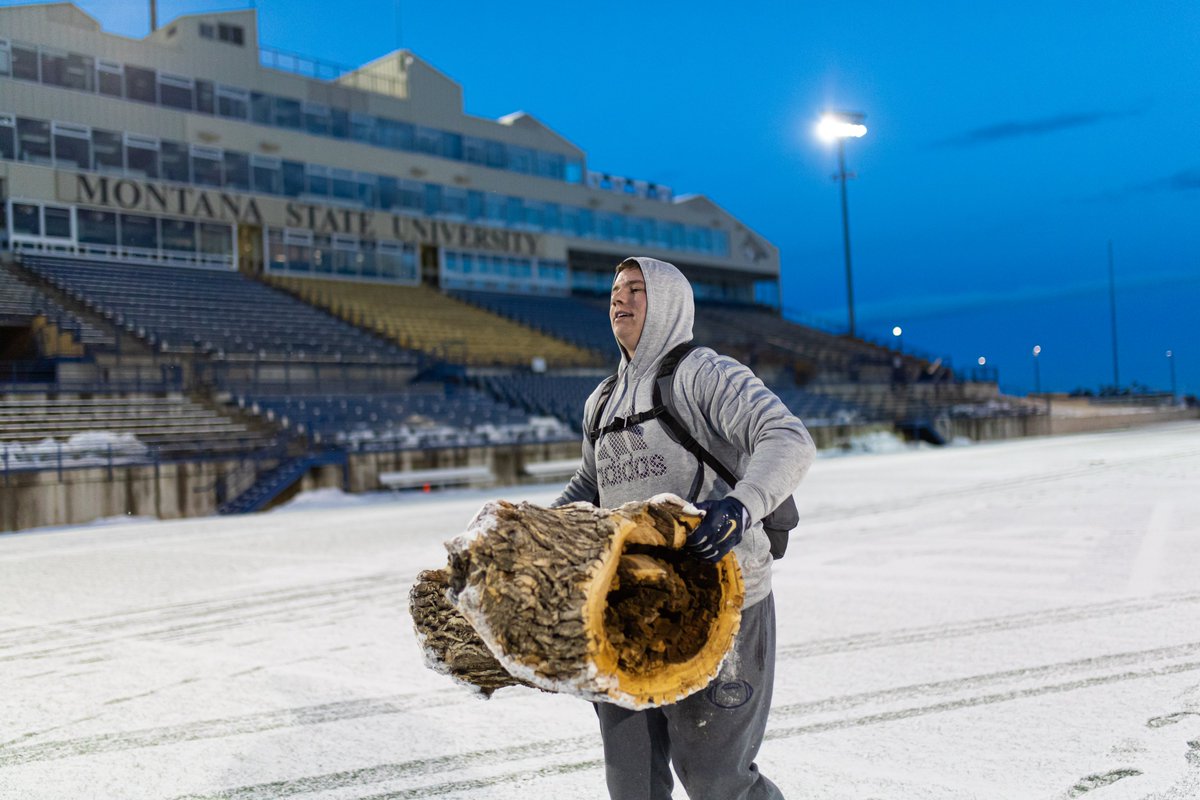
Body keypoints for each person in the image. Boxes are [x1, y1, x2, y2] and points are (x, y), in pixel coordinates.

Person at [554, 256, 815, 799]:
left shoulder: (702, 373)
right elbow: (591, 481)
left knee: (718, 782)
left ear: (670, 302)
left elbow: (787, 436)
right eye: (614, 289)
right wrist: (536, 532)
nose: (618, 299)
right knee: (633, 784)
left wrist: (741, 505)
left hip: (722, 602)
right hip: (628, 607)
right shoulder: (601, 401)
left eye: (635, 290)